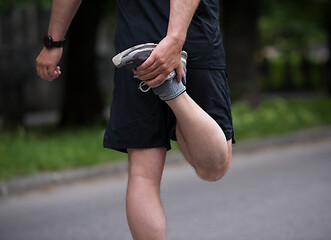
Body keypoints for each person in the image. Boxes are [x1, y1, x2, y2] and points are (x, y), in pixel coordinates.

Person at [36, 0, 234, 239]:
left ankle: (167, 86)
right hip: (194, 34)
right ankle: (172, 90)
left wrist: (53, 42)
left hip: (137, 49)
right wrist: (174, 38)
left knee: (143, 175)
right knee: (213, 169)